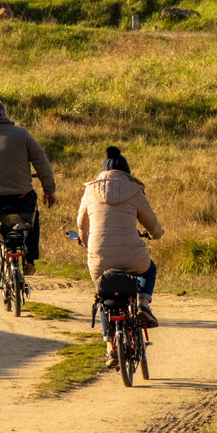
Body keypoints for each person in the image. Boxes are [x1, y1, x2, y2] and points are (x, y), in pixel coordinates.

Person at [77, 145, 163, 367]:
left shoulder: (90, 191)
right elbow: (151, 222)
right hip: (132, 256)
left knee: (103, 297)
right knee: (149, 269)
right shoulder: (134, 190)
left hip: (98, 258)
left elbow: (81, 224)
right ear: (127, 172)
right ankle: (143, 303)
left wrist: (86, 241)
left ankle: (110, 347)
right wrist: (156, 234)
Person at [0, 95, 57, 291]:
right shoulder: (22, 134)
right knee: (31, 219)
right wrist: (49, 190)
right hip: (22, 197)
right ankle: (29, 259)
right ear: (4, 114)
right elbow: (42, 163)